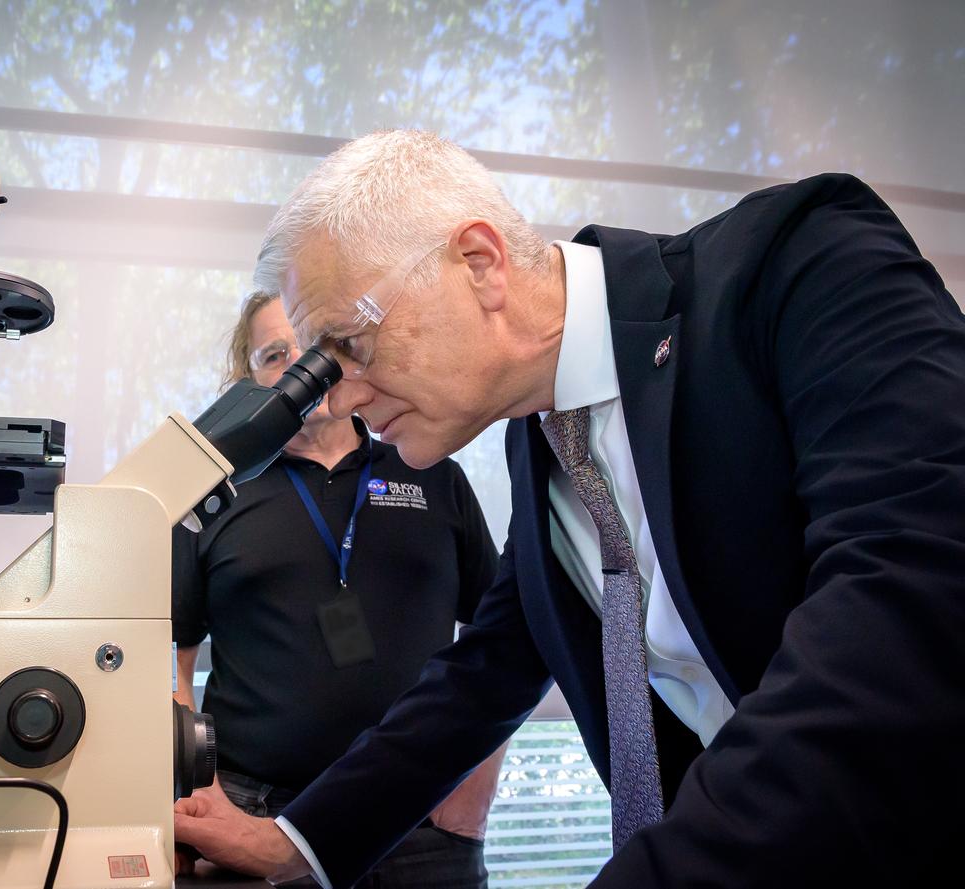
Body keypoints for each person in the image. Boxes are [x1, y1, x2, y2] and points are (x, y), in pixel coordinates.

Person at [174, 130, 965, 888]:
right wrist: (302, 841)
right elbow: (487, 667)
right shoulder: (543, 439)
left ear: (479, 262)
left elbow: (912, 602)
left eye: (349, 345)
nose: (337, 395)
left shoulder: (799, 263)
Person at [172, 291, 505, 887]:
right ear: (248, 379)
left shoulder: (430, 471)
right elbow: (166, 663)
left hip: (420, 817)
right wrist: (204, 793)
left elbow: (503, 640)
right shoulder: (212, 496)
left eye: (312, 347)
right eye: (276, 355)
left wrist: (472, 791)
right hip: (256, 811)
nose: (299, 366)